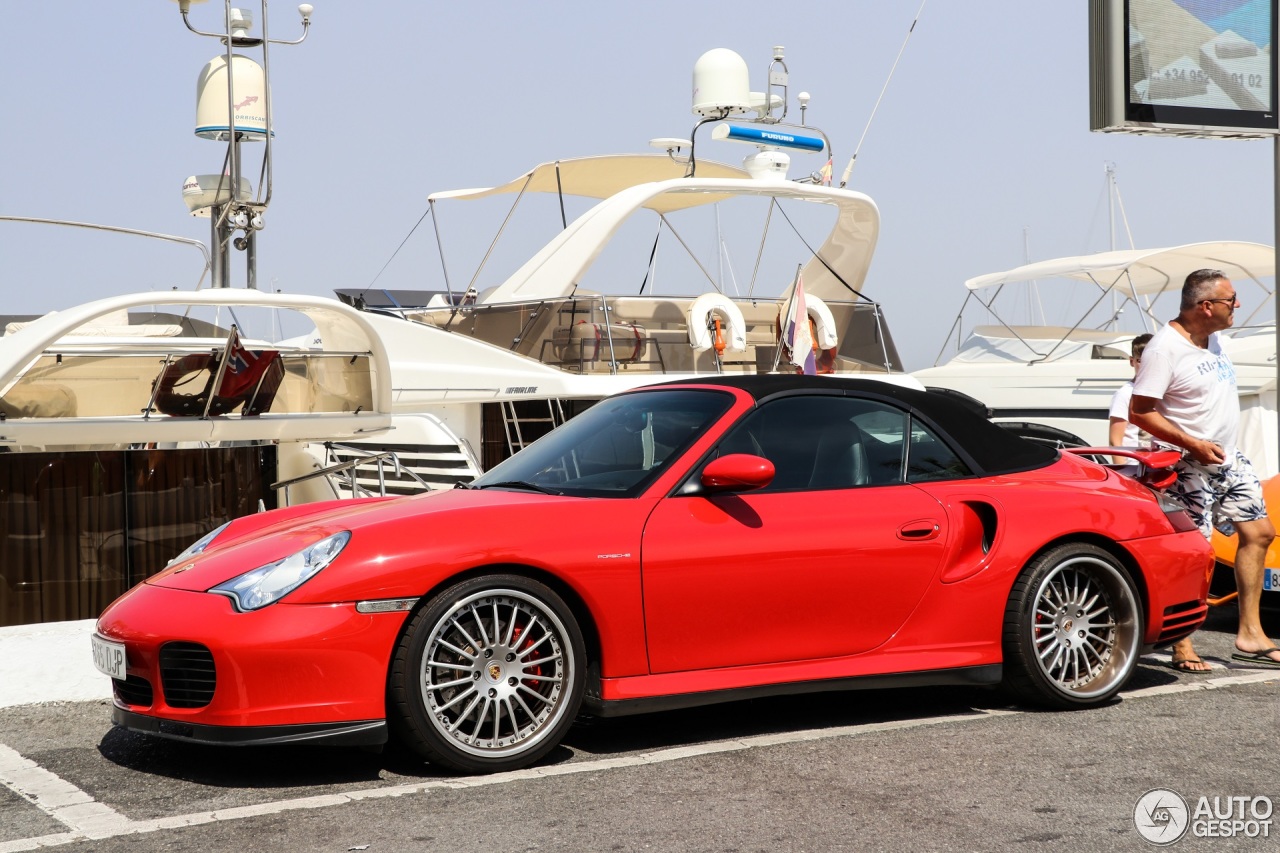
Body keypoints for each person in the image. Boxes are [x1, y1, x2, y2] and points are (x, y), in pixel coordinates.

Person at [1129, 269, 1280, 672]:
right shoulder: (1164, 349)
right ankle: (1182, 644)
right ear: (1205, 306)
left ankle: (1250, 634)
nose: (1238, 306)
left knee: (1259, 532)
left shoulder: (1214, 338)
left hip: (1227, 457)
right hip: (1185, 463)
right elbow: (1139, 412)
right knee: (1194, 552)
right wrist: (1192, 443)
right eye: (1231, 300)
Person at [1107, 333, 1153, 462]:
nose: (1145, 365)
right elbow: (1115, 441)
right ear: (1132, 361)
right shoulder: (1125, 394)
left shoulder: (1163, 392)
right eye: (1140, 361)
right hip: (1135, 468)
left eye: (1150, 360)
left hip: (1160, 468)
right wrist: (1123, 474)